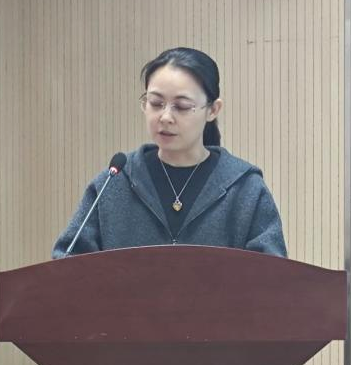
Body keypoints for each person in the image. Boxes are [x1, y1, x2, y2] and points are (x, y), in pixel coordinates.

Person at [52, 47, 287, 258]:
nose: (165, 117)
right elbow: (66, 263)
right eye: (156, 103)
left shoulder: (245, 188)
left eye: (181, 107)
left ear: (213, 110)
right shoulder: (114, 182)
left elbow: (274, 277)